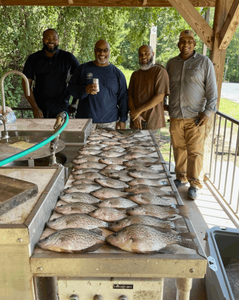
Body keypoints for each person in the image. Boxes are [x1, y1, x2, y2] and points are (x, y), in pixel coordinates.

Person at [166, 30, 218, 200]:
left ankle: (194, 183)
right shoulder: (171, 63)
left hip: (196, 117)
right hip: (176, 116)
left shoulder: (204, 62)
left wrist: (207, 112)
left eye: (189, 42)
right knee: (178, 149)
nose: (186, 45)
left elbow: (212, 91)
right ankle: (181, 177)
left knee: (195, 152)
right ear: (178, 44)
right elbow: (166, 88)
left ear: (194, 44)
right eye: (183, 41)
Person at [68, 39, 128, 129]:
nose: (102, 53)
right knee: (84, 144)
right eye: (99, 50)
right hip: (85, 121)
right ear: (95, 51)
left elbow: (123, 98)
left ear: (109, 51)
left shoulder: (117, 74)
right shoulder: (83, 69)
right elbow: (71, 88)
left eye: (105, 50)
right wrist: (85, 90)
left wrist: (123, 119)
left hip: (109, 122)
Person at [22, 28, 80, 118]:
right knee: (42, 132)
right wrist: (35, 108)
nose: (51, 41)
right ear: (42, 39)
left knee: (61, 132)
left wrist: (74, 103)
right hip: (40, 110)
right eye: (47, 37)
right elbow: (26, 85)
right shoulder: (33, 59)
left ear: (58, 41)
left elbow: (80, 79)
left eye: (54, 38)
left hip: (62, 109)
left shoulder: (68, 58)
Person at [128, 45, 170, 132]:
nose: (143, 57)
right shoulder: (135, 74)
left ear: (153, 54)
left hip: (153, 123)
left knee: (152, 145)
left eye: (147, 54)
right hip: (136, 122)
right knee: (134, 145)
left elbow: (159, 97)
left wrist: (138, 111)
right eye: (141, 54)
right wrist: (135, 115)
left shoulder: (159, 71)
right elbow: (129, 96)